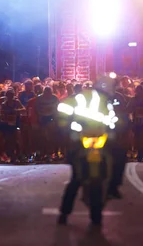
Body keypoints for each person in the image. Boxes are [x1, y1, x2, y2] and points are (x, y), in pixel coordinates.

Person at [56, 82, 119, 229]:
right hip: (80, 139)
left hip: (99, 140)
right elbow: (62, 115)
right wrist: (67, 128)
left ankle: (112, 188)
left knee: (114, 161)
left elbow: (113, 119)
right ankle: (64, 212)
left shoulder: (104, 102)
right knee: (76, 177)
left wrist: (114, 130)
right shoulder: (78, 100)